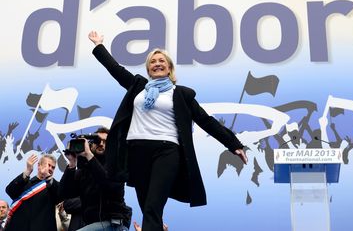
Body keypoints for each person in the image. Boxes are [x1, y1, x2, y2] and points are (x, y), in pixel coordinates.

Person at [88, 31, 248, 231]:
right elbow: (115, 69)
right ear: (148, 68)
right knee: (147, 208)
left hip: (167, 151)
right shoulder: (139, 86)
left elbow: (206, 121)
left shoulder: (180, 94)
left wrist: (233, 144)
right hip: (137, 152)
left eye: (161, 60)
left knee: (153, 206)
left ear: (169, 68)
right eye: (153, 61)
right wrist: (99, 45)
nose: (157, 63)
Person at [59, 127, 131, 231]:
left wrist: (89, 155)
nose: (101, 144)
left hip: (113, 223)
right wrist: (72, 164)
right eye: (97, 141)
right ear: (90, 144)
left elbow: (107, 184)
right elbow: (64, 194)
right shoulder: (84, 170)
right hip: (92, 224)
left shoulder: (117, 166)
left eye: (105, 141)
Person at [5, 154, 61, 231]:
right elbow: (10, 191)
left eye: (53, 167)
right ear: (39, 166)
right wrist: (28, 171)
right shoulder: (25, 183)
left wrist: (48, 178)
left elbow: (60, 196)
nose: (50, 168)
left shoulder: (54, 186)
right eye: (48, 165)